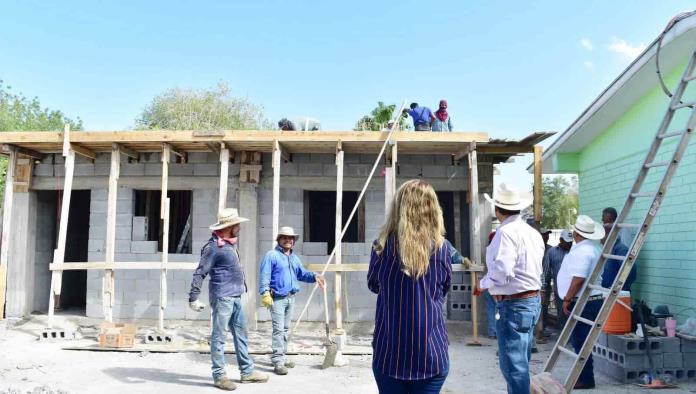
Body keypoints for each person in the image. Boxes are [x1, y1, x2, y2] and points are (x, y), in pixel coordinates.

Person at [368, 180, 451, 393]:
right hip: (431, 355)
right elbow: (443, 288)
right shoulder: (442, 248)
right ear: (433, 209)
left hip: (389, 355)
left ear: (398, 208)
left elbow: (374, 285)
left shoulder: (381, 246)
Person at [189, 208, 269, 391]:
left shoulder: (228, 244)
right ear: (230, 226)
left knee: (241, 334)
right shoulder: (213, 248)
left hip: (235, 296)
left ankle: (247, 372)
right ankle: (219, 376)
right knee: (219, 337)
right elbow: (200, 273)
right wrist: (193, 297)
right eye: (237, 224)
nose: (239, 227)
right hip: (222, 297)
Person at [476, 184, 544, 394]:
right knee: (521, 361)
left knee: (513, 366)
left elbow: (502, 270)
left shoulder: (505, 233)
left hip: (514, 303)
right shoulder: (532, 233)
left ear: (498, 209)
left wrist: (483, 284)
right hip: (530, 301)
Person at [259, 226, 326, 375]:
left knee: (285, 329)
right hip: (276, 298)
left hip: (290, 298)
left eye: (291, 238)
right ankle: (278, 361)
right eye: (284, 237)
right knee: (278, 330)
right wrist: (264, 293)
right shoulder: (271, 255)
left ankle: (282, 356)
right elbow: (264, 275)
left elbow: (301, 274)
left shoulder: (294, 258)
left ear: (294, 241)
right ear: (279, 239)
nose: (288, 240)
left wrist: (315, 276)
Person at [557, 215, 606, 390]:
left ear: (576, 233)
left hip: (582, 300)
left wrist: (568, 299)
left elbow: (578, 279)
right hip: (590, 299)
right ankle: (585, 376)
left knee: (580, 341)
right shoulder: (595, 247)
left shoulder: (583, 251)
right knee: (581, 340)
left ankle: (585, 378)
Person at [541, 229, 573, 329]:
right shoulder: (552, 252)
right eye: (566, 242)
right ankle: (563, 336)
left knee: (573, 313)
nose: (569, 244)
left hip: (574, 287)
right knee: (562, 313)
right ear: (560, 240)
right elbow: (546, 271)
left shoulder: (575, 251)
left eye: (570, 242)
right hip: (560, 290)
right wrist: (543, 288)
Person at [600, 223, 636, 291]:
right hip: (608, 292)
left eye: (602, 235)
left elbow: (630, 271)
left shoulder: (621, 249)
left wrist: (618, 288)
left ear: (609, 235)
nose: (600, 239)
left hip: (617, 294)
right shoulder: (610, 249)